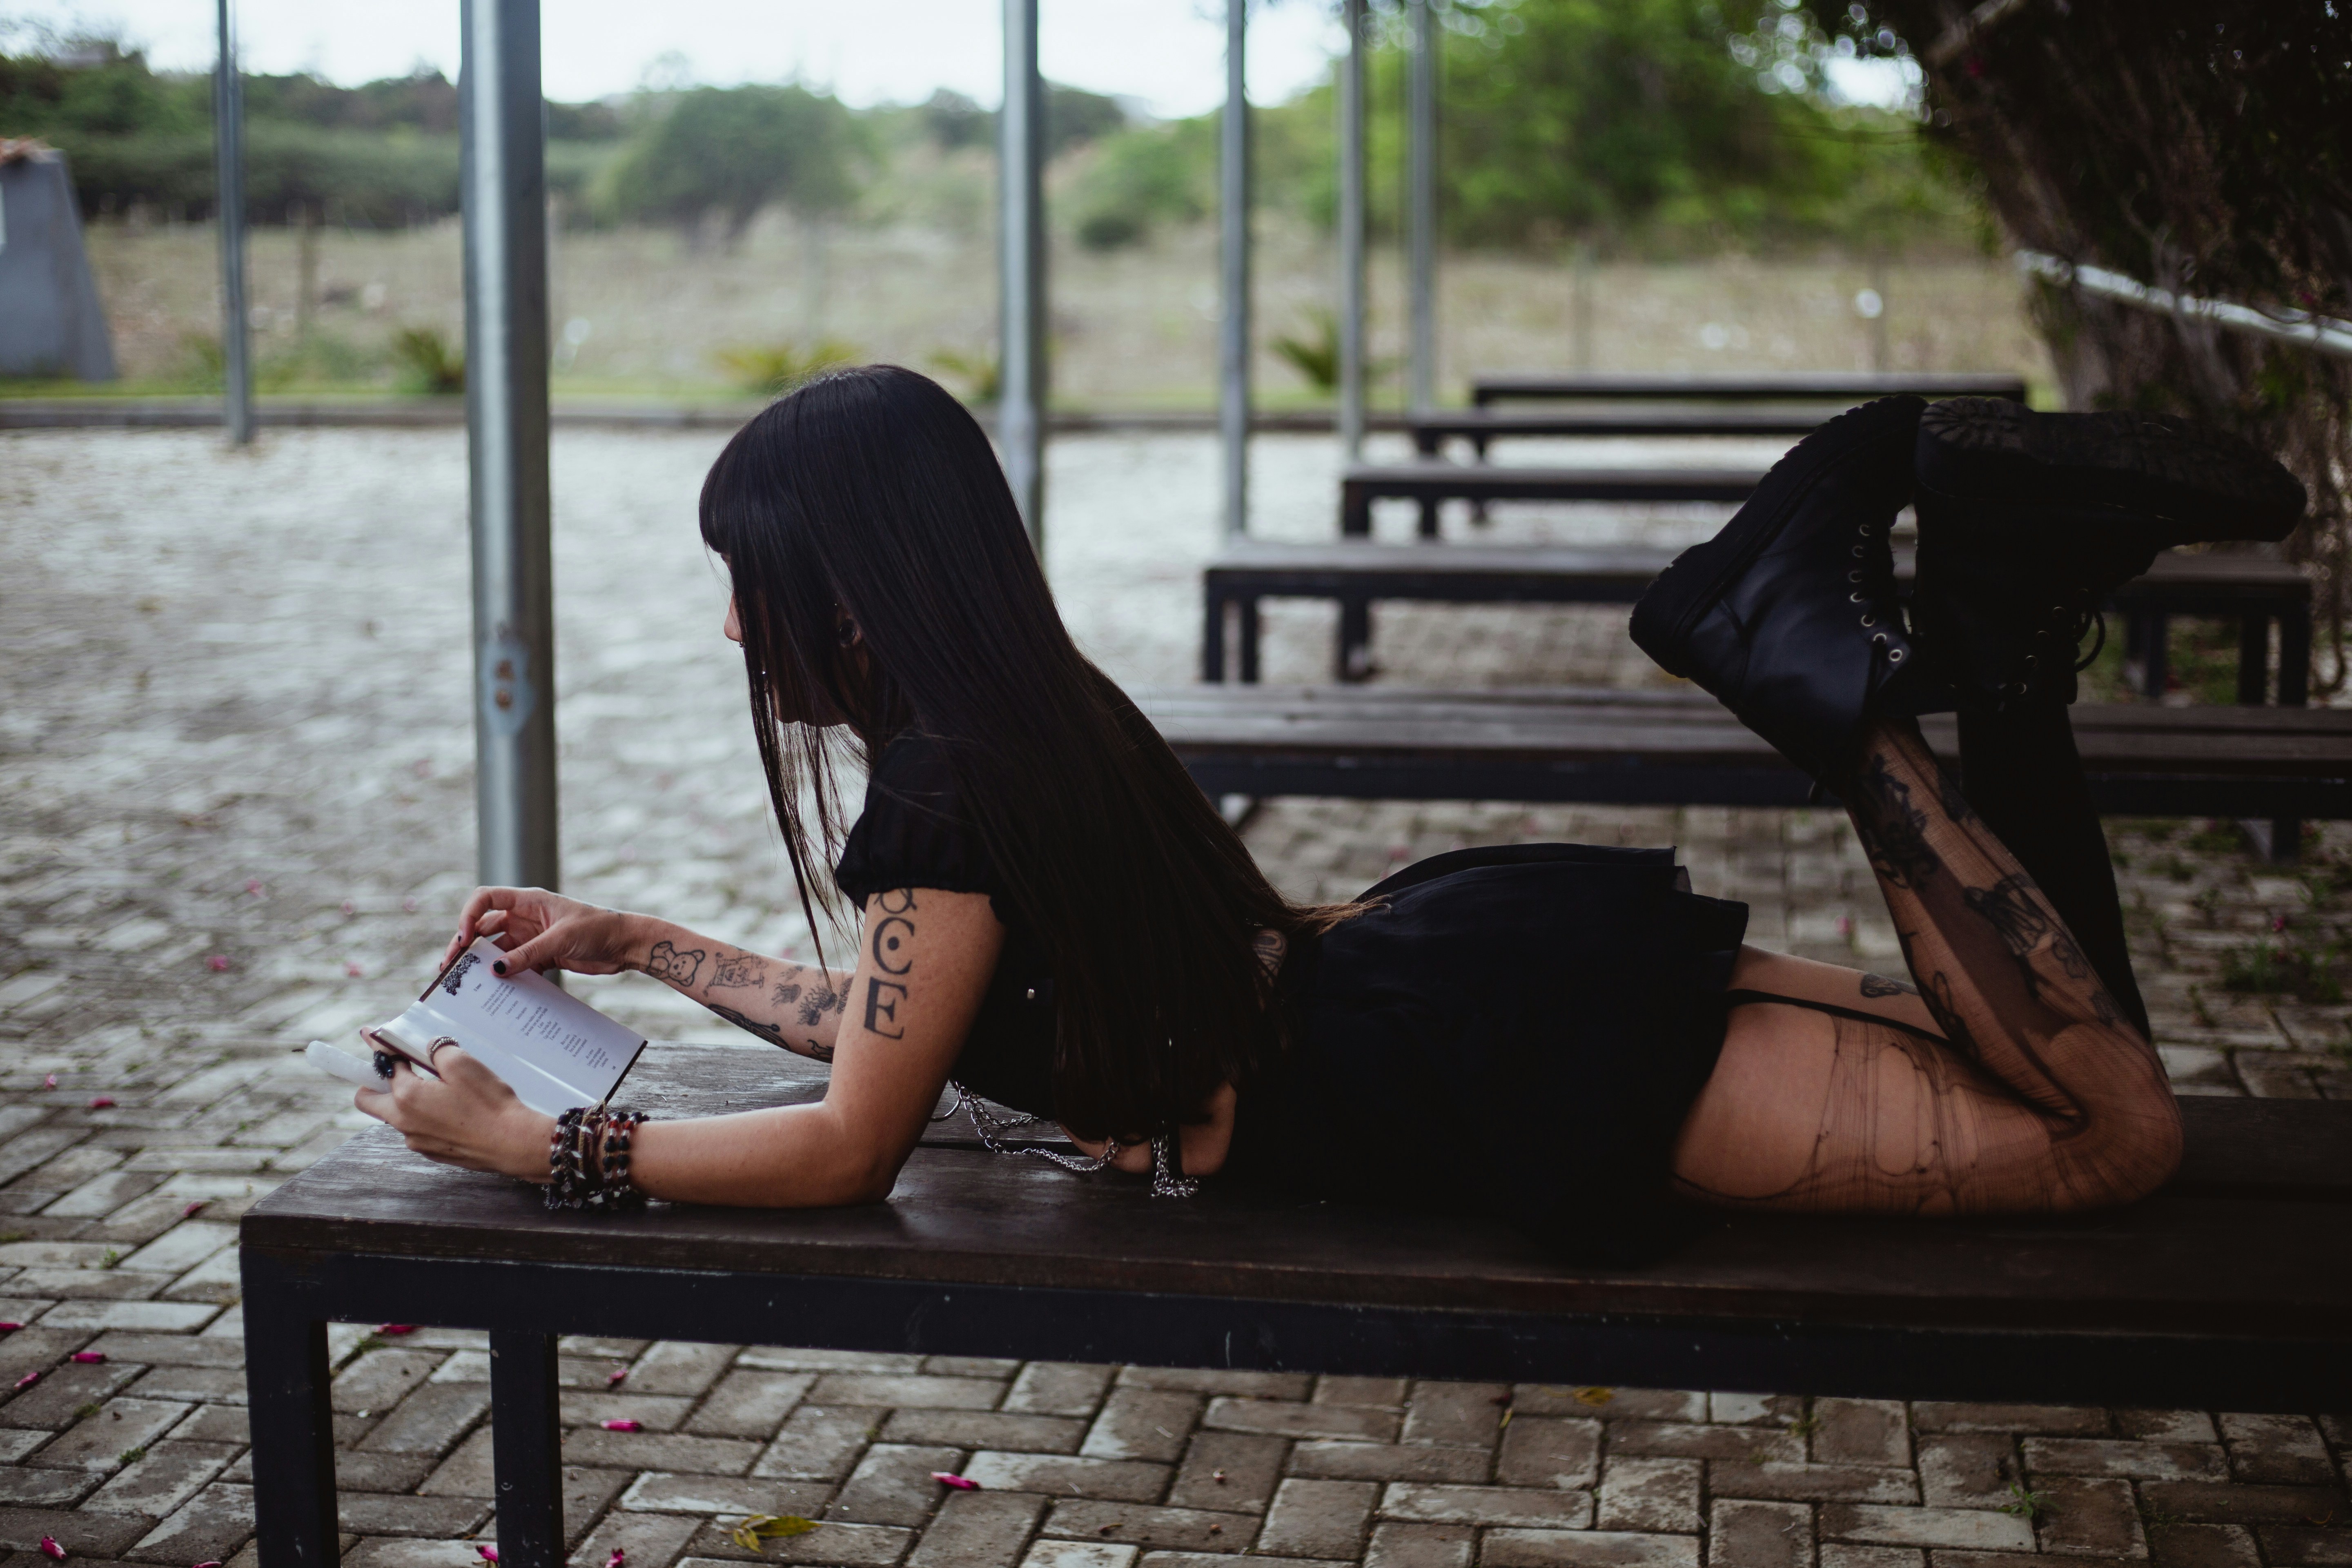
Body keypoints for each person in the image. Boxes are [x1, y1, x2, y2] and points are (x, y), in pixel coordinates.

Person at [358, 367, 2305, 1258]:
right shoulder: (1021, 722)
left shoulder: (946, 788)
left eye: (745, 581)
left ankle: (1822, 686)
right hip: (1463, 987)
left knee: (2104, 1146)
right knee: (2083, 1078)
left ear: (845, 592)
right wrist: (636, 946)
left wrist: (546, 1146)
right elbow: (904, 1024)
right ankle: (2008, 647)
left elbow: (852, 1146)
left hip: (1476, 1062)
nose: (727, 621)